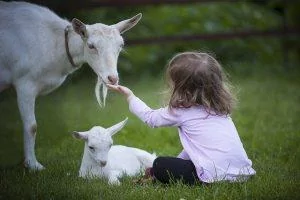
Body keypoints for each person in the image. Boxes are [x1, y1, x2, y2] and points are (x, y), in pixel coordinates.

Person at [107, 52, 255, 185]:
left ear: (182, 87)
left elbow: (151, 118)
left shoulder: (182, 111)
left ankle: (160, 174)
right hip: (242, 173)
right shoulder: (220, 110)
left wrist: (130, 96)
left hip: (213, 176)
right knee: (167, 164)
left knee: (159, 164)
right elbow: (196, 150)